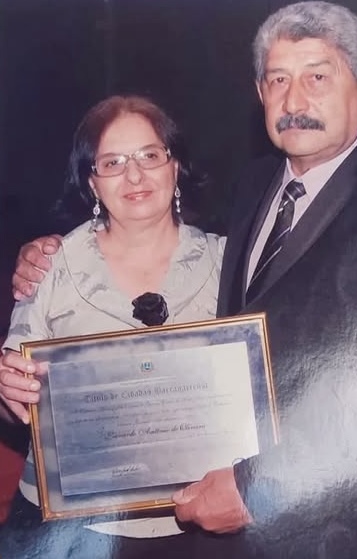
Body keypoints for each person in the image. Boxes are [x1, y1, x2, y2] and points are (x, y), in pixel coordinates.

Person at [10, 1, 357, 558]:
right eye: (278, 80)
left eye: (317, 76)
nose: (295, 101)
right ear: (260, 94)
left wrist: (255, 485)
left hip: (339, 531)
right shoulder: (255, 187)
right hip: (153, 530)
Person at [0, 94, 224, 558]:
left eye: (149, 155)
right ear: (92, 182)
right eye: (113, 162)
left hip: (193, 528)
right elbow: (12, 407)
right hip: (65, 534)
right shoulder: (49, 267)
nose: (134, 175)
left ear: (175, 166)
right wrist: (7, 389)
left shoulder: (228, 262)